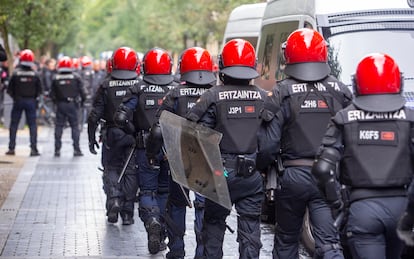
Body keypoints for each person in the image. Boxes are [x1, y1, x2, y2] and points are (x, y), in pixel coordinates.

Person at [256, 28, 353, 259]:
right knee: (329, 242)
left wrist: (260, 168)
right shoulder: (341, 91)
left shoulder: (282, 91)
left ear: (288, 56)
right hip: (329, 176)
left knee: (287, 240)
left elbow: (268, 146)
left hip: (292, 176)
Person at [312, 53, 414, 259]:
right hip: (401, 211)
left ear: (357, 84)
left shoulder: (343, 118)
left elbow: (323, 169)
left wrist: (337, 206)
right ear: (399, 83)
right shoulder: (409, 119)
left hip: (362, 210)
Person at [184, 39, 269, 259]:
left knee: (213, 225)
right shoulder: (263, 97)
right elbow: (271, 139)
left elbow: (193, 131)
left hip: (220, 173)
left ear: (223, 66)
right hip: (252, 174)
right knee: (250, 226)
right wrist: (261, 167)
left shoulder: (213, 96)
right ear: (253, 66)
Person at [146, 46, 216, 259]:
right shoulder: (215, 93)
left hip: (178, 159)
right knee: (203, 208)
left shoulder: (174, 94)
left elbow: (158, 130)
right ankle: (201, 253)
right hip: (206, 160)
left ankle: (176, 251)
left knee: (176, 205)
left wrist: (153, 154)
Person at [114, 47, 176, 254]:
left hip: (144, 147)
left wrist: (133, 133)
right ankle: (161, 232)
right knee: (165, 191)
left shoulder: (138, 87)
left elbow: (120, 117)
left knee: (148, 190)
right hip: (171, 148)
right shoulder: (175, 87)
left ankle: (152, 222)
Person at [87, 47, 141, 225]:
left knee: (111, 168)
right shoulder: (139, 84)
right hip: (133, 136)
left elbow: (94, 114)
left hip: (111, 134)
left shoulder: (105, 84)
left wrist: (91, 137)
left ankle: (113, 201)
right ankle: (127, 213)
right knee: (131, 172)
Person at [5, 49, 43, 156]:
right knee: (32, 125)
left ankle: (11, 148)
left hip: (18, 101)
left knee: (14, 125)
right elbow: (39, 90)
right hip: (30, 101)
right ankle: (33, 149)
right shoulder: (35, 74)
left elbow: (9, 89)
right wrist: (33, 98)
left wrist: (16, 97)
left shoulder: (16, 73)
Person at [49, 56, 86, 157]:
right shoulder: (76, 77)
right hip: (72, 105)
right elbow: (83, 92)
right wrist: (82, 103)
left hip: (61, 105)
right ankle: (76, 149)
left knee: (59, 126)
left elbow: (51, 94)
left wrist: (56, 102)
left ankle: (57, 150)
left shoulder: (56, 78)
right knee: (75, 127)